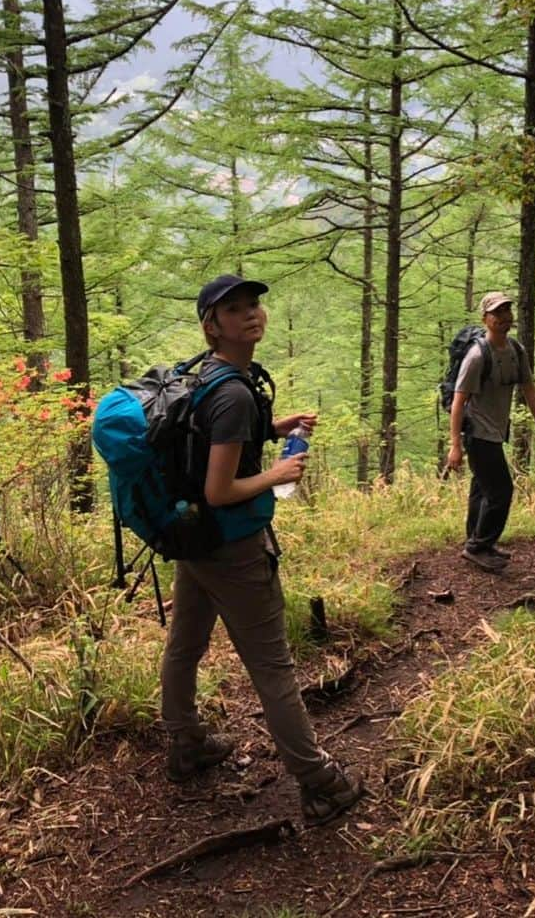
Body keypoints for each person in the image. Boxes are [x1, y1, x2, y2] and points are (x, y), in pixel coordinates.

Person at [160, 273, 363, 827]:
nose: (252, 314)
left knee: (185, 646)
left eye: (254, 305)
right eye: (235, 309)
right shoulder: (230, 391)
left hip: (194, 540)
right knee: (272, 666)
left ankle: (185, 745)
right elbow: (220, 490)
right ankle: (320, 782)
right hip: (233, 547)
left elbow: (216, 439)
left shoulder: (214, 376)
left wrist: (275, 427)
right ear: (212, 325)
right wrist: (276, 472)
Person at [446, 291, 535, 572]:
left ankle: (477, 539)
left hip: (496, 430)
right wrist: (455, 445)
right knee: (502, 491)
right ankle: (477, 547)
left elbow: (529, 389)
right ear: (485, 319)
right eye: (497, 313)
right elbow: (459, 402)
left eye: (507, 311)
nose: (504, 317)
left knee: (482, 487)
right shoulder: (476, 356)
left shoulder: (516, 351)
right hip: (478, 432)